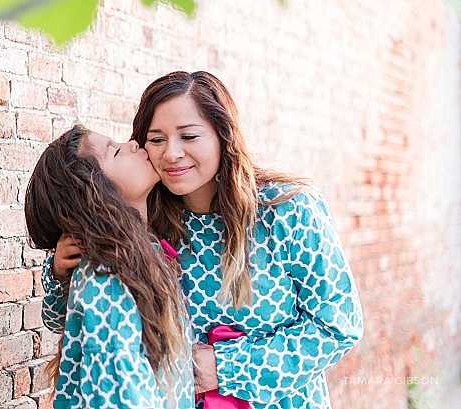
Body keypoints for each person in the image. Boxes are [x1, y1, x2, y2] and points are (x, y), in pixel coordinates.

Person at [42, 71, 363, 408]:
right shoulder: (141, 223)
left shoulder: (288, 209)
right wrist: (60, 273)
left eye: (189, 136)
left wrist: (226, 368)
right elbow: (71, 321)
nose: (172, 153)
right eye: (157, 139)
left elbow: (338, 326)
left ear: (223, 136)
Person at [25, 124, 194, 408]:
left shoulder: (145, 250)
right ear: (96, 192)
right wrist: (55, 274)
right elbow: (119, 397)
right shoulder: (108, 278)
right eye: (115, 151)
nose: (131, 144)